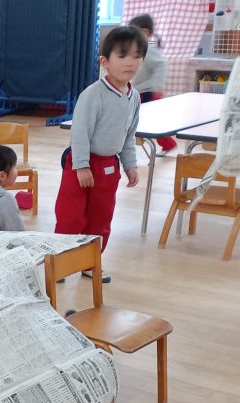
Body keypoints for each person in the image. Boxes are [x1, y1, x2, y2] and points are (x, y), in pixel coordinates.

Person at [55, 25, 147, 279]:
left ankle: (90, 263)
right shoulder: (93, 95)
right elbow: (80, 132)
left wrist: (130, 165)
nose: (130, 62)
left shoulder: (134, 98)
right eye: (122, 55)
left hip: (109, 167)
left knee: (101, 218)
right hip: (81, 165)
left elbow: (129, 136)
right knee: (71, 217)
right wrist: (82, 165)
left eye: (137, 55)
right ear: (105, 62)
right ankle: (59, 264)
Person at [129, 14, 177, 155]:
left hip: (149, 91)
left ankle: (168, 144)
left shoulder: (149, 49)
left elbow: (161, 65)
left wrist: (156, 88)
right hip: (141, 90)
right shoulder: (141, 48)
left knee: (153, 120)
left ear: (145, 32)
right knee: (138, 118)